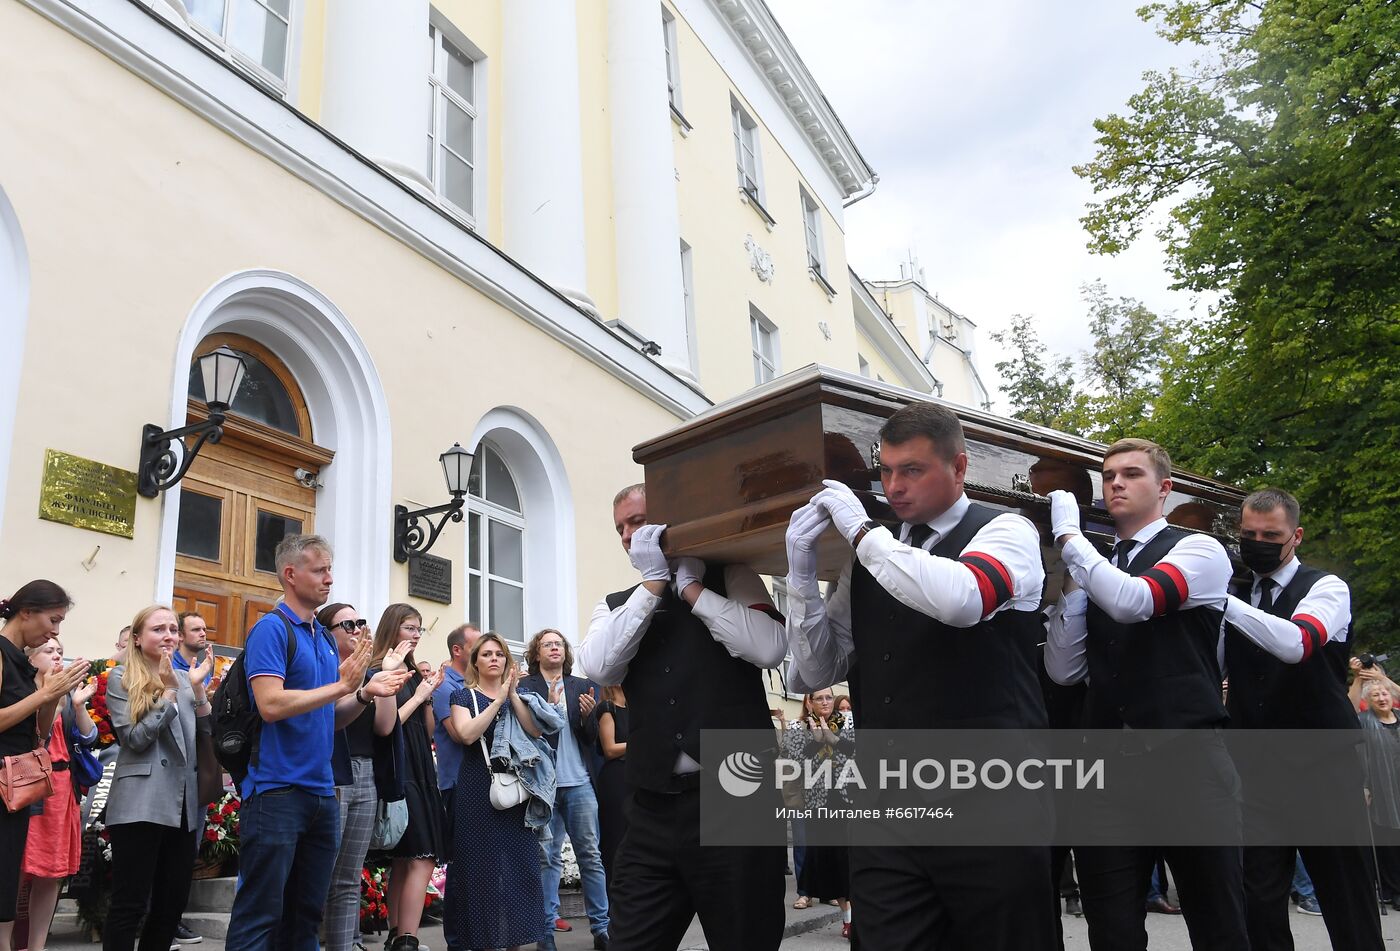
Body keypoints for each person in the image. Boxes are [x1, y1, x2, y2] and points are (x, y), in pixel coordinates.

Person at [784, 402, 1054, 950]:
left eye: (912, 469)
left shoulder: (1006, 530)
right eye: (885, 471)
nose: (893, 486)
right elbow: (813, 670)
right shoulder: (874, 556)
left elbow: (964, 598)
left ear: (959, 468)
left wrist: (862, 532)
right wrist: (800, 569)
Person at [1045, 437, 1247, 951]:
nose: (1116, 482)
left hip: (1187, 760)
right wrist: (1070, 590)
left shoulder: (1198, 548)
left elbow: (1137, 601)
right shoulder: (1096, 567)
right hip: (1107, 769)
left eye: (1132, 473)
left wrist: (1070, 537)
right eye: (1109, 475)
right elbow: (1065, 671)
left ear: (1165, 488)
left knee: (1217, 919)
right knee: (1111, 927)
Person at [578, 483, 788, 951]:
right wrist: (653, 586)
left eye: (638, 521)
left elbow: (771, 647)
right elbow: (599, 665)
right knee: (630, 939)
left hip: (736, 797)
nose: (630, 535)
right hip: (652, 804)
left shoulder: (731, 576)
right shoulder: (614, 604)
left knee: (745, 936)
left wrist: (692, 591)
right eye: (621, 529)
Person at [1219, 487, 1381, 950]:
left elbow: (1298, 643)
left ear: (1296, 536)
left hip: (1321, 764)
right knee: (1258, 896)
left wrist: (1221, 600)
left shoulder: (1326, 587)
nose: (1258, 542)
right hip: (1253, 766)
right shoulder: (1236, 591)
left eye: (1271, 534)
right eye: (1248, 533)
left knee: (1345, 892)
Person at [223, 535, 398, 951]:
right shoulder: (271, 629)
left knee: (305, 915)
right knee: (260, 915)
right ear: (290, 574)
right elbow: (270, 704)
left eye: (329, 570)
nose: (329, 579)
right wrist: (341, 684)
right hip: (276, 791)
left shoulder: (320, 636)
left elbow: (328, 718)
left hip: (322, 793)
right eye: (320, 571)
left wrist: (362, 695)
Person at [103, 604, 214, 951]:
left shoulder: (184, 677)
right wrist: (167, 694)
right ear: (136, 639)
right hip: (140, 802)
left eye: (172, 629)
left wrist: (196, 693)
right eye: (158, 629)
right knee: (130, 904)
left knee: (171, 904)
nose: (168, 635)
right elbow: (134, 739)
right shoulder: (121, 678)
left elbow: (204, 736)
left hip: (182, 805)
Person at [0, 581, 86, 951]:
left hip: (16, 792)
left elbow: (37, 733)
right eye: (53, 620)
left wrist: (51, 695)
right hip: (3, 786)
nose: (55, 630)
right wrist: (44, 693)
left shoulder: (20, 659)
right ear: (26, 611)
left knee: (5, 888)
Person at [446, 633, 546, 951]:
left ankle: (514, 941)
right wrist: (498, 701)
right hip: (478, 790)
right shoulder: (464, 697)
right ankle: (483, 943)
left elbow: (535, 730)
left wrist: (512, 694)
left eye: (499, 654)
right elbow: (465, 734)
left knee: (519, 869)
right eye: (486, 654)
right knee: (480, 870)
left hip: (515, 794)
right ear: (475, 661)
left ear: (507, 661)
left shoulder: (518, 695)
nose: (494, 659)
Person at [319, 603, 400, 951]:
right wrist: (358, 686)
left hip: (364, 771)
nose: (356, 629)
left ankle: (345, 946)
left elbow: (385, 727)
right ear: (327, 632)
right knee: (321, 870)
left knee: (350, 876)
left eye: (360, 622)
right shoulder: (322, 668)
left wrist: (387, 676)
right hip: (332, 771)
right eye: (346, 623)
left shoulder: (369, 673)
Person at [520, 628, 608, 949]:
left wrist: (588, 718)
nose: (554, 648)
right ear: (537, 653)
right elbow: (527, 733)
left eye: (559, 644)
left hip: (580, 784)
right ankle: (546, 934)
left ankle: (602, 929)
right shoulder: (525, 686)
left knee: (591, 857)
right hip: (544, 786)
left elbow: (591, 739)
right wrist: (550, 706)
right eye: (547, 644)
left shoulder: (583, 686)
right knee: (548, 859)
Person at [366, 604, 446, 951]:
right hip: (400, 770)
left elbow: (424, 730)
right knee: (421, 857)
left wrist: (426, 697)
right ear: (393, 629)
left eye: (418, 629)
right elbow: (386, 726)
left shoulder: (410, 670)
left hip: (420, 767)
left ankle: (396, 935)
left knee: (406, 859)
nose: (415, 635)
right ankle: (408, 940)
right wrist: (417, 697)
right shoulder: (378, 670)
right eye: (409, 628)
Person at [21, 639, 97, 951]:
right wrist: (48, 698)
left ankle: (37, 945)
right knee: (17, 868)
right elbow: (34, 737)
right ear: (30, 658)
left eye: (60, 652)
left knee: (51, 873)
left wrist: (78, 706)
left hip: (62, 789)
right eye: (49, 651)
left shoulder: (67, 694)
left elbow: (90, 737)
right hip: (28, 786)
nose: (57, 657)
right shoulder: (20, 690)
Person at [783, 688, 853, 939]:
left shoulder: (846, 722)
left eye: (828, 697)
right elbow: (792, 764)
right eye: (819, 698)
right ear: (808, 702)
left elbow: (861, 753)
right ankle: (848, 918)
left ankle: (855, 918)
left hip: (849, 801)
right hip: (818, 805)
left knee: (852, 861)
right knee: (831, 862)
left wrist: (835, 741)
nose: (825, 702)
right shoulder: (797, 728)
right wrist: (815, 742)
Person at [429, 624, 478, 951]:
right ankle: (457, 943)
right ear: (458, 650)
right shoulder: (446, 686)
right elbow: (461, 734)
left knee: (477, 867)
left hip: (479, 785)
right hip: (457, 784)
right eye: (478, 646)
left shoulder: (475, 683)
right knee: (461, 868)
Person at [1358, 677, 1400, 907]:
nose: (1382, 698)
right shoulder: (1364, 721)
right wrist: (1364, 785)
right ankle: (1392, 889)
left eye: (1385, 694)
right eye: (1376, 695)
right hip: (1382, 786)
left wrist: (1384, 679)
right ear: (1368, 701)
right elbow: (1360, 756)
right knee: (1389, 838)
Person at [593, 683, 629, 890]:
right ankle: (614, 895)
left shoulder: (634, 707)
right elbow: (610, 749)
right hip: (616, 777)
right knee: (616, 837)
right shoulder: (607, 708)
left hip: (635, 775)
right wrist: (642, 742)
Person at [173, 612, 213, 689]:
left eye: (204, 630)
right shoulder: (169, 665)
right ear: (180, 635)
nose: (203, 634)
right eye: (196, 630)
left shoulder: (203, 668)